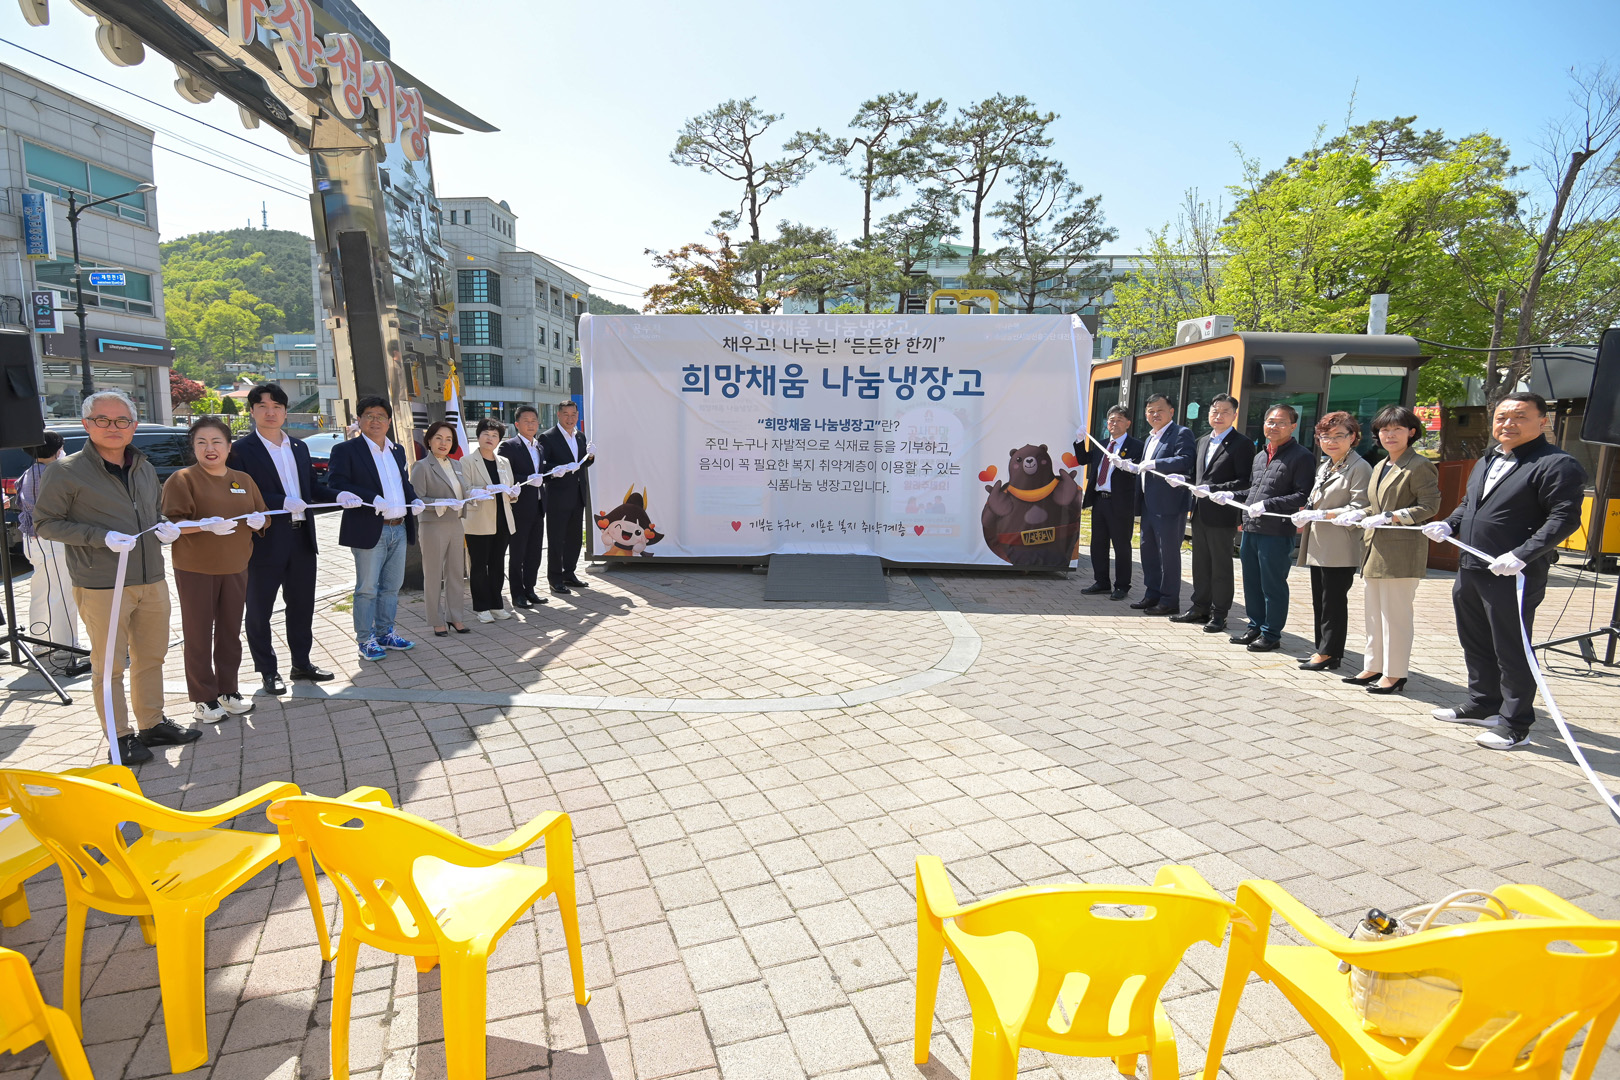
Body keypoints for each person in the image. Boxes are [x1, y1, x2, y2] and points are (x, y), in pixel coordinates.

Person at [31, 389, 201, 764]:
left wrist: (165, 527)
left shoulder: (143, 466)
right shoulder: (65, 471)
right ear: (86, 424)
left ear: (133, 426)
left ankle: (152, 724)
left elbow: (153, 512)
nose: (113, 427)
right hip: (101, 583)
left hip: (151, 578)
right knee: (109, 666)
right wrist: (100, 537)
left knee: (151, 657)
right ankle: (120, 736)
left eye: (122, 420)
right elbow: (45, 523)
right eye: (103, 420)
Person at [1424, 392, 1586, 750]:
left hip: (1513, 574)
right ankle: (1483, 704)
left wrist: (1521, 554)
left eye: (1519, 417)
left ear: (1543, 421)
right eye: (1501, 417)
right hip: (1472, 567)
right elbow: (1469, 504)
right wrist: (1449, 524)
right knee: (1475, 639)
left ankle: (1515, 724)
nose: (1508, 424)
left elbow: (1563, 518)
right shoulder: (1488, 458)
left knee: (1511, 647)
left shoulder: (1556, 464)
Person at [228, 382, 337, 696]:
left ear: (286, 412)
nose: (270, 412)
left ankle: (301, 663)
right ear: (252, 411)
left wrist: (340, 495)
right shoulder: (241, 450)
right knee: (259, 609)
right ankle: (268, 671)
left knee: (301, 606)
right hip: (264, 540)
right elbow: (239, 493)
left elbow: (311, 489)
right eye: (263, 406)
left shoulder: (298, 447)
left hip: (302, 537)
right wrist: (279, 501)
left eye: (277, 407)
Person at [162, 417, 268, 722]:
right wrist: (202, 526)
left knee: (229, 632)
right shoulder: (182, 479)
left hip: (236, 566)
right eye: (201, 442)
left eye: (216, 442)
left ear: (229, 446)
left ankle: (228, 691)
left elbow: (263, 514)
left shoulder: (243, 480)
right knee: (198, 634)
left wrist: (261, 521)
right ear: (193, 447)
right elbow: (171, 523)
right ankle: (203, 698)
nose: (210, 448)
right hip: (196, 568)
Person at [1346, 405, 1441, 696]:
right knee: (1374, 613)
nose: (1389, 435)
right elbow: (1375, 507)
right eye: (1384, 430)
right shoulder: (1381, 465)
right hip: (1374, 549)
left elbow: (1429, 506)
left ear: (1411, 432)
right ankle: (1373, 665)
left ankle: (1395, 673)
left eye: (1397, 429)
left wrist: (1392, 516)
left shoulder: (1419, 465)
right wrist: (1358, 513)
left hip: (1401, 551)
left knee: (1395, 616)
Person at [328, 395, 422, 662]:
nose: (375, 421)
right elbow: (336, 483)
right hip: (369, 528)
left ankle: (385, 633)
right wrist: (370, 497)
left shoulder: (397, 450)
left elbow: (403, 483)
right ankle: (365, 638)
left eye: (381, 416)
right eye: (369, 415)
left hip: (399, 527)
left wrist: (413, 498)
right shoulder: (346, 450)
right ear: (359, 420)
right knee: (367, 588)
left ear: (389, 421)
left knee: (392, 587)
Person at [1217, 404, 1313, 652]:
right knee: (1252, 582)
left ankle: (1271, 634)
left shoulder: (1301, 456)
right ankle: (1255, 627)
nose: (1274, 426)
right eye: (1270, 421)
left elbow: (1302, 495)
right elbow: (1254, 490)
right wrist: (1232, 495)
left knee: (1273, 584)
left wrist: (1268, 504)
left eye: (1281, 422)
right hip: (1251, 527)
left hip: (1276, 531)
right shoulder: (1260, 456)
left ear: (1293, 426)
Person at [1290, 412, 1371, 673]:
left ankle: (1329, 652)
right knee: (1320, 599)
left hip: (1340, 545)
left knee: (1333, 601)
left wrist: (1321, 515)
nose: (1331, 441)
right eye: (1325, 436)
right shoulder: (1326, 465)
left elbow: (1360, 506)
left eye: (1339, 436)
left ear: (1353, 437)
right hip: (1319, 543)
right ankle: (1324, 650)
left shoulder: (1359, 467)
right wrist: (1308, 512)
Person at [14, 432, 91, 676]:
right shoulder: (54, 473)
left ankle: (40, 641)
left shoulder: (29, 473)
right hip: (52, 539)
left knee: (42, 589)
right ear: (57, 451)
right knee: (62, 592)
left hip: (32, 538)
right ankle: (65, 645)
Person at [1176, 393, 1253, 633]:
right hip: (1200, 513)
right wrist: (1182, 480)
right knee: (1200, 563)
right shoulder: (1202, 441)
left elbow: (1244, 481)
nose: (1218, 416)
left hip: (1222, 514)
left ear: (1234, 415)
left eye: (1225, 412)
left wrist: (1214, 489)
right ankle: (1199, 607)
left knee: (1220, 566)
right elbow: (1198, 477)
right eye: (1214, 411)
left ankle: (1220, 613)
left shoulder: (1242, 444)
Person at [1130, 393, 1196, 615]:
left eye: (1160, 410)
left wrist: (1156, 463)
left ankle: (1169, 600)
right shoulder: (1150, 438)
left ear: (1171, 412)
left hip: (1169, 505)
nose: (1155, 414)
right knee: (1148, 551)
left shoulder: (1181, 433)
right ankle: (1152, 594)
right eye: (1150, 411)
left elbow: (1186, 459)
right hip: (1149, 504)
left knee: (1168, 554)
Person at [410, 421, 470, 636]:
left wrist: (477, 493)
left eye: (448, 439)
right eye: (439, 438)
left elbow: (462, 491)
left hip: (456, 523)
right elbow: (416, 499)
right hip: (433, 525)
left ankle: (455, 617)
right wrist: (440, 502)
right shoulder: (421, 466)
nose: (443, 443)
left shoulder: (456, 465)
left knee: (456, 573)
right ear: (429, 440)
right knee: (434, 574)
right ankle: (436, 619)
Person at [1077, 406, 1142, 601]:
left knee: (1121, 546)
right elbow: (1083, 459)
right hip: (1100, 500)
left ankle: (1122, 585)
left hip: (1121, 503)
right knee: (1098, 543)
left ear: (1128, 423)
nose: (1114, 423)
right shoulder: (1102, 444)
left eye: (1119, 420)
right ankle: (1101, 582)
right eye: (1111, 420)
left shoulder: (1136, 446)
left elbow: (1140, 471)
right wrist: (1079, 441)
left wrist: (1127, 465)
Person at [462, 418, 519, 622]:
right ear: (478, 436)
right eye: (486, 433)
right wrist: (485, 489)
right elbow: (465, 490)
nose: (490, 438)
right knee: (479, 565)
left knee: (497, 564)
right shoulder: (467, 461)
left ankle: (496, 605)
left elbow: (509, 490)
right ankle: (481, 607)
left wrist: (514, 493)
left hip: (503, 520)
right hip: (479, 521)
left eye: (495, 435)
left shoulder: (504, 462)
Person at [539, 402, 594, 596]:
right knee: (556, 540)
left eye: (573, 414)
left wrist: (590, 458)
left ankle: (569, 573)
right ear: (558, 415)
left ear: (577, 415)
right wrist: (555, 470)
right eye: (566, 414)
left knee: (574, 539)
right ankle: (555, 579)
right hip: (557, 496)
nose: (570, 418)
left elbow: (580, 464)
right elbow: (541, 467)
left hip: (577, 495)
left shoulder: (580, 436)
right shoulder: (547, 437)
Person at [500, 405, 548, 609]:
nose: (531, 424)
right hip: (519, 508)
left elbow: (543, 473)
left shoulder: (539, 447)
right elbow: (505, 476)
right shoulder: (508, 447)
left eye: (534, 421)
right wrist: (526, 479)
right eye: (526, 421)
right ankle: (517, 593)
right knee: (518, 553)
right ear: (517, 424)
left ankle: (530, 589)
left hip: (538, 506)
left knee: (534, 553)